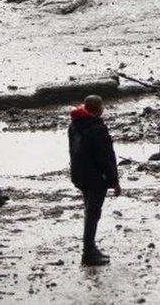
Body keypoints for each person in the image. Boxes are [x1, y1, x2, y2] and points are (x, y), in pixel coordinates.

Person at [68, 94, 120, 266]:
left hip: (80, 176)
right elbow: (105, 158)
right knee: (93, 214)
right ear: (98, 110)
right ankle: (88, 252)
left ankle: (90, 248)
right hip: (96, 179)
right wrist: (114, 182)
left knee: (89, 211)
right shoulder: (97, 129)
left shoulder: (74, 125)